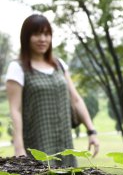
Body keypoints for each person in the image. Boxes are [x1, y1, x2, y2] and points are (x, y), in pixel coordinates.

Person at [5, 14, 99, 167]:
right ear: (26, 37)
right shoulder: (17, 68)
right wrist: (19, 148)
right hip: (36, 145)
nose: (43, 39)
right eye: (37, 34)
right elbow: (15, 111)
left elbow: (76, 99)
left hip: (64, 143)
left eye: (47, 34)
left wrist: (91, 131)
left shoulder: (59, 65)